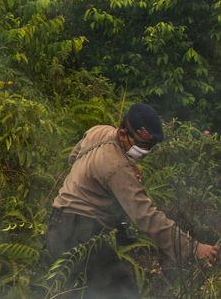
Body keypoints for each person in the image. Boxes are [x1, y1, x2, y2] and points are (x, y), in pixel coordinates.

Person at [46, 103, 218, 297]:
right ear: (122, 134)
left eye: (150, 146)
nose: (145, 151)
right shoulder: (118, 167)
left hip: (57, 224)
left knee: (79, 292)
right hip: (80, 233)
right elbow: (146, 217)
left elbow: (73, 157)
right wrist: (193, 248)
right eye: (142, 145)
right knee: (123, 291)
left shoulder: (99, 131)